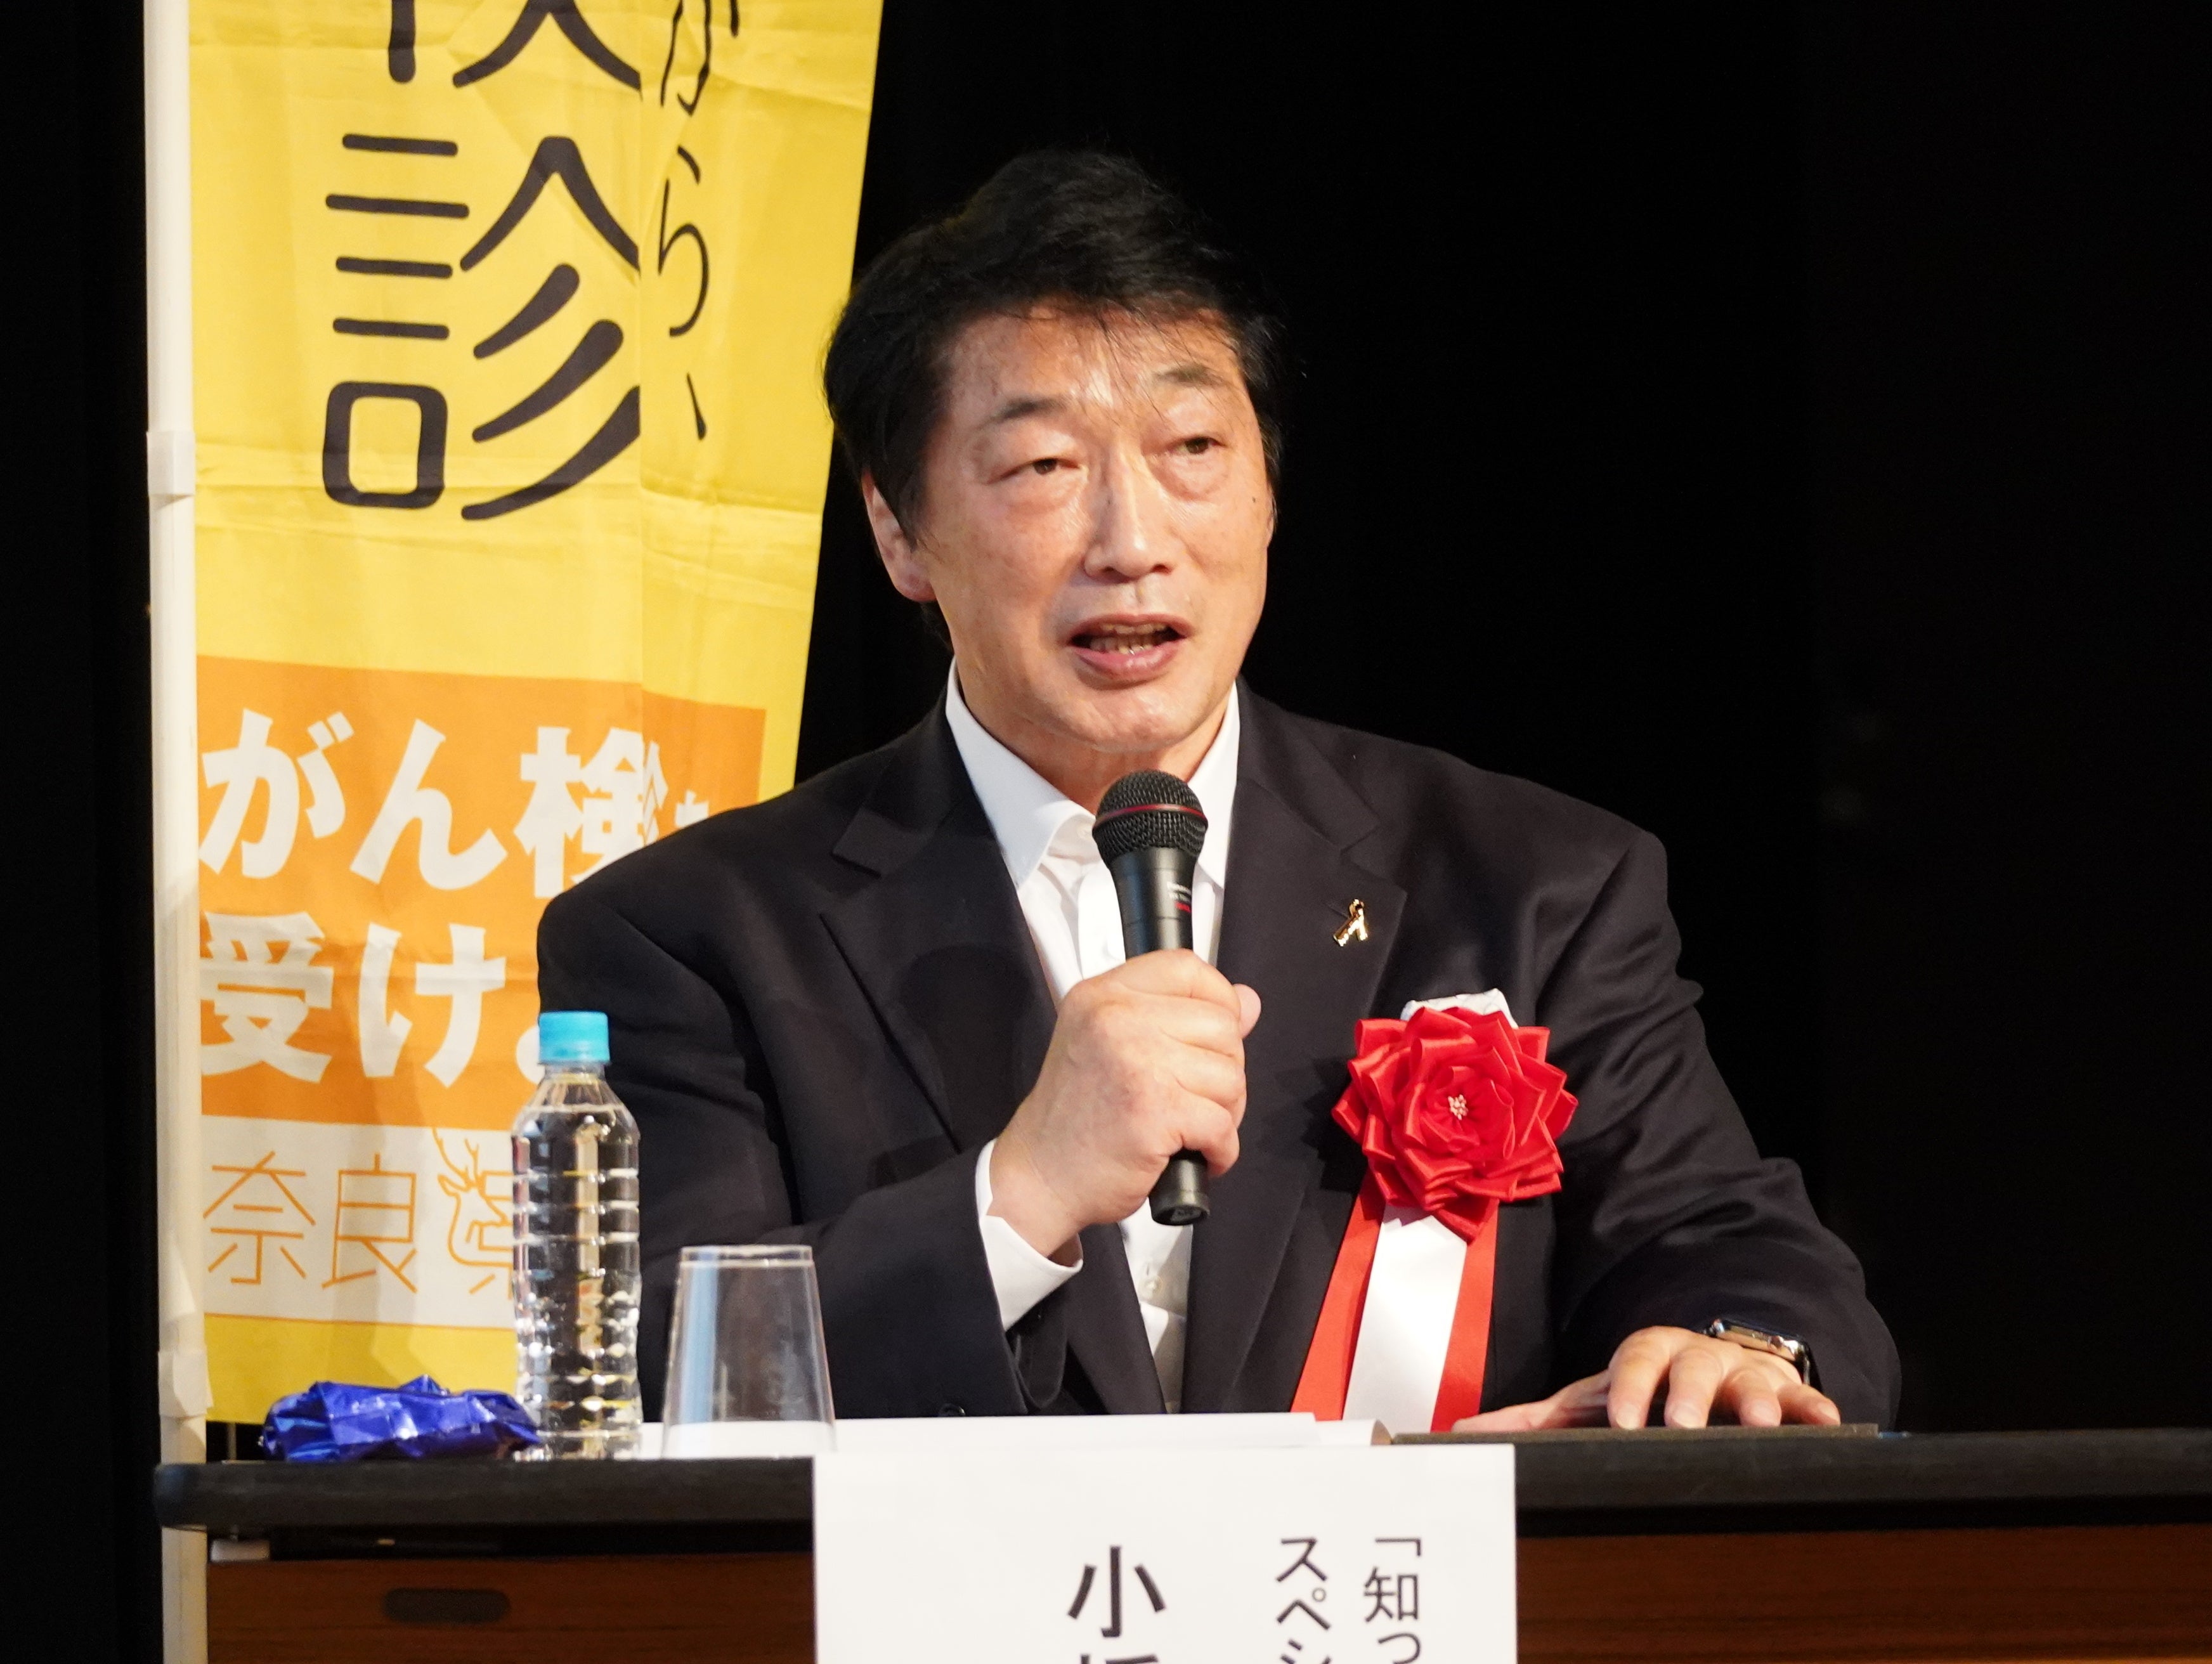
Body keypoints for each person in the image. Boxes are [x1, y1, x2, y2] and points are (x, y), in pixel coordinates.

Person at [539, 151, 1899, 1431]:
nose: (1133, 542)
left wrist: (1738, 1349)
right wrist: (1019, 1194)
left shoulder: (1530, 883)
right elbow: (661, 1374)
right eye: (1043, 468)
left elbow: (1733, 1252)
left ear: (1267, 492)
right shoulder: (695, 936)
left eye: (1192, 449)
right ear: (900, 530)